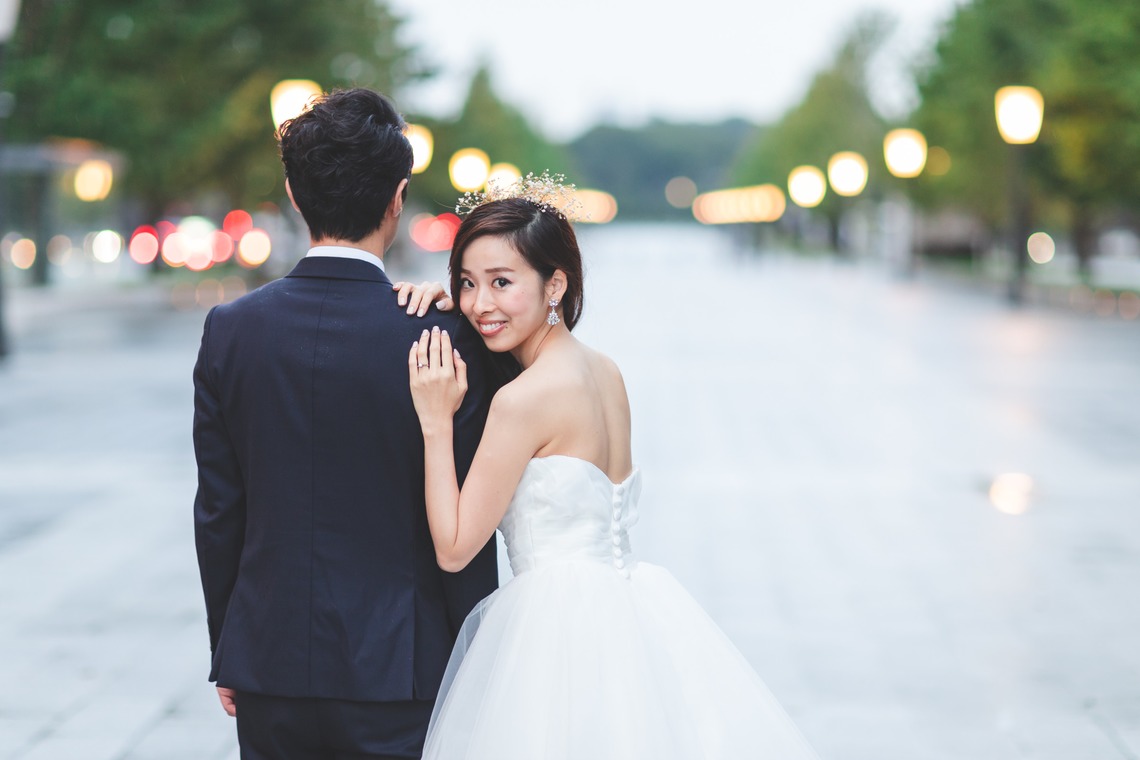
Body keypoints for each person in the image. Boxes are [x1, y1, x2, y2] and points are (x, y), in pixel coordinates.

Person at [405, 174, 823, 758]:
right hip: (626, 607)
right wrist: (461, 316)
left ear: (555, 283)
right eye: (467, 283)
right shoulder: (604, 372)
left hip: (553, 627)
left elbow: (454, 548)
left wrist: (435, 421)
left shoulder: (523, 402)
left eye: (502, 282)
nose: (479, 303)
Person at [192, 87, 497, 759]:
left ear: (294, 196)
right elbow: (468, 527)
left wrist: (229, 645)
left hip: (267, 662)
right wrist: (476, 658)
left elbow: (219, 511)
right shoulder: (443, 338)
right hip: (404, 668)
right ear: (397, 198)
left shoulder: (230, 329)